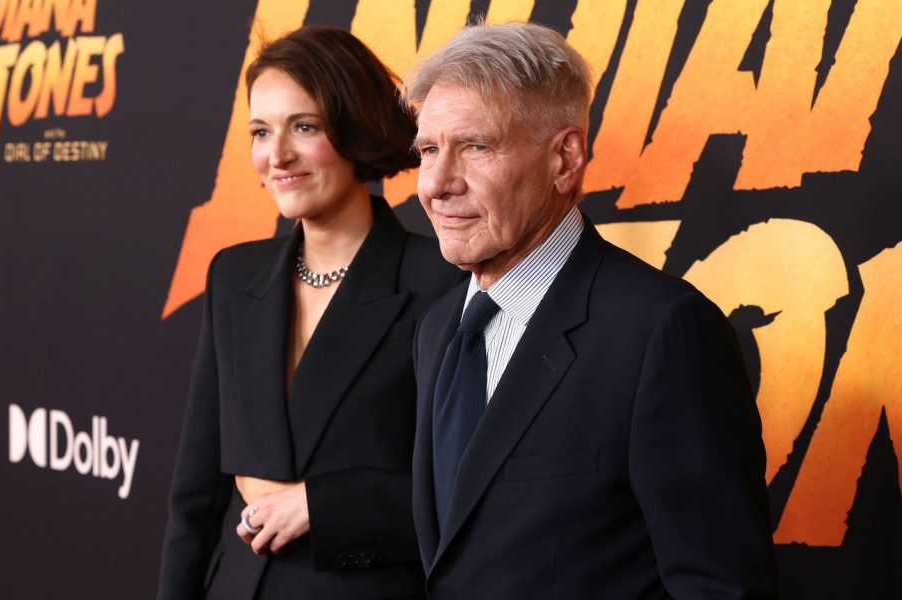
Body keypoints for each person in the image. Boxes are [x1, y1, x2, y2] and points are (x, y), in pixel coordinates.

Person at [404, 22, 779, 599]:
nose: (435, 184)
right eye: (429, 149)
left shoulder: (661, 332)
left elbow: (720, 587)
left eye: (476, 146)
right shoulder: (437, 329)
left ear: (565, 158)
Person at [158, 25, 461, 600]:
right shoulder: (233, 276)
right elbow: (195, 496)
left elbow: (467, 493)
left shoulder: (443, 283)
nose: (277, 157)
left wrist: (321, 505)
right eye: (260, 131)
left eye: (304, 127)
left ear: (355, 129)